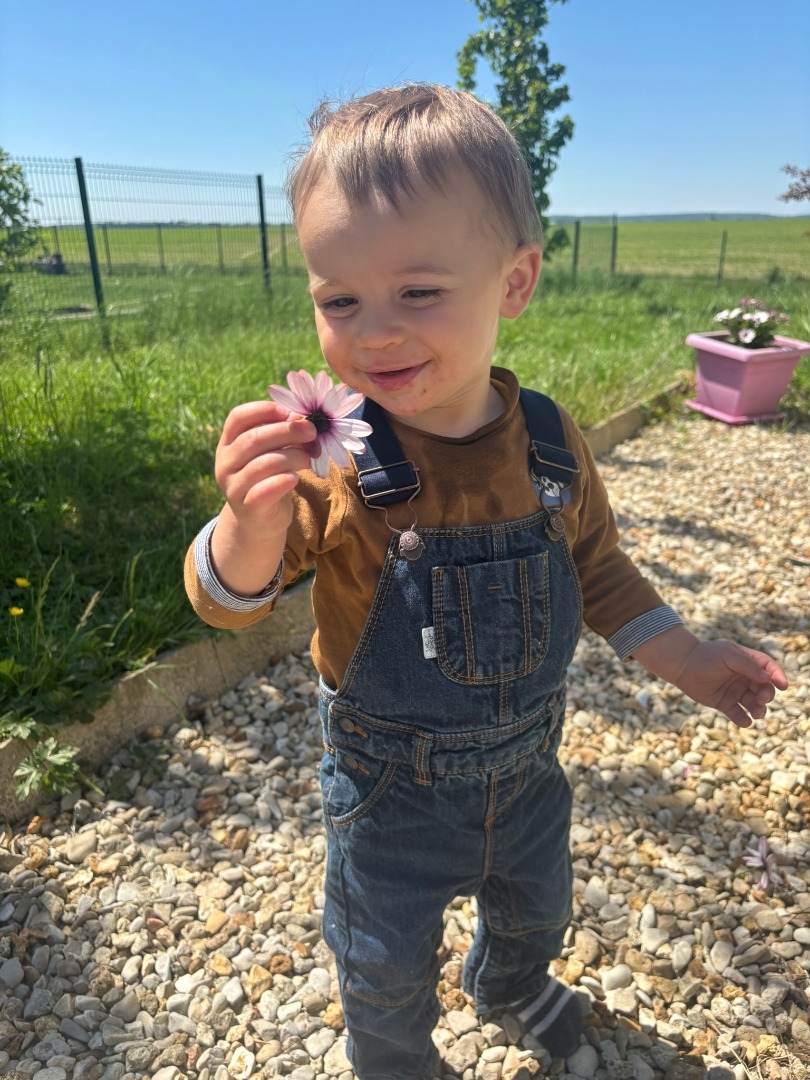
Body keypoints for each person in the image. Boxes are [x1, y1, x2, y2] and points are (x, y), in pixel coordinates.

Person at [184, 84, 788, 1080]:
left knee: (538, 907)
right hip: (387, 792)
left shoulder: (548, 441)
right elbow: (225, 601)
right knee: (381, 957)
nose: (374, 333)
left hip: (529, 769)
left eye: (418, 292)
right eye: (339, 301)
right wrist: (248, 523)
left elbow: (599, 568)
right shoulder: (334, 459)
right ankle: (392, 1057)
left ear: (514, 281)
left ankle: (510, 983)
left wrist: (687, 659)